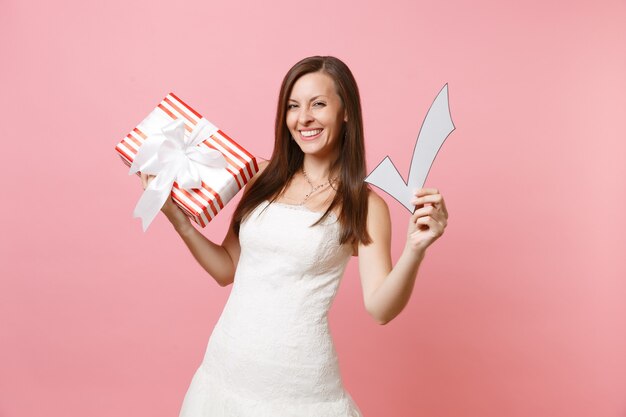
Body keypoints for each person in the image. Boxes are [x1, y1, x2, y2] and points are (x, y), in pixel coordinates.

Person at [141, 55, 448, 416]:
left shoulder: (364, 205)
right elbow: (227, 269)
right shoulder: (259, 175)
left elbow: (380, 308)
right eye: (293, 106)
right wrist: (179, 221)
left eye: (318, 104)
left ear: (345, 110)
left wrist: (416, 250)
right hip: (224, 371)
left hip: (300, 387)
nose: (303, 118)